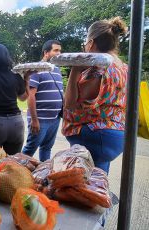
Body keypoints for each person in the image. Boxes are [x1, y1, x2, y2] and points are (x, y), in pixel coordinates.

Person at [62, 17, 128, 173]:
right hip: (117, 133)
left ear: (91, 43)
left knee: (86, 185)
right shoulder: (124, 68)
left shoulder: (98, 69)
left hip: (94, 133)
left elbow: (70, 103)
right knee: (100, 180)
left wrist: (76, 69)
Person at [22, 40, 63, 162]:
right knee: (29, 151)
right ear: (46, 52)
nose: (59, 53)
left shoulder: (57, 70)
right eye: (56, 50)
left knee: (46, 148)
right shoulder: (36, 69)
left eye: (60, 50)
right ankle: (16, 172)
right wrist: (34, 120)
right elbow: (31, 96)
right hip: (40, 120)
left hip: (55, 119)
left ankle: (44, 174)